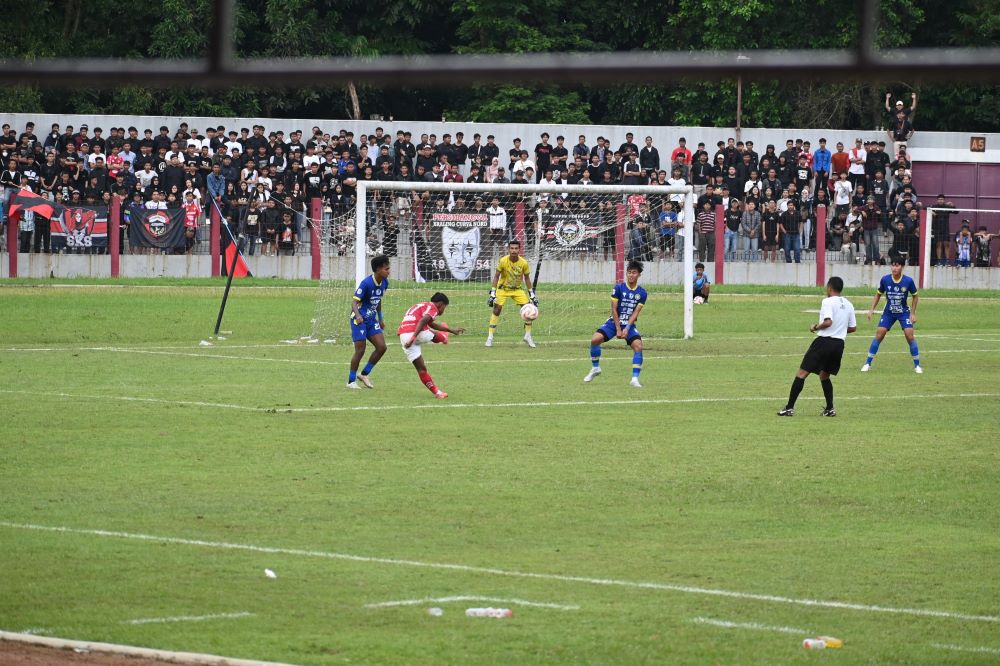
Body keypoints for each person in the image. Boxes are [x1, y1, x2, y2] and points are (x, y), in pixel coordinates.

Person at [777, 276, 857, 417]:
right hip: (839, 344)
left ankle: (789, 408)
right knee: (824, 375)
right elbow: (852, 328)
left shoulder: (827, 301)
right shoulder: (849, 304)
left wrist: (815, 327)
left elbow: (828, 322)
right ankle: (830, 409)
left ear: (830, 288)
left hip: (824, 342)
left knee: (801, 374)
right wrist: (840, 330)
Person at [584, 260, 647, 388]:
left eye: (634, 273)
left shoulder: (642, 293)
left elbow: (635, 313)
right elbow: (614, 309)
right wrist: (618, 329)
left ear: (639, 275)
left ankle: (634, 379)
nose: (630, 275)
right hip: (614, 322)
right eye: (629, 272)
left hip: (629, 324)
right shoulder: (618, 288)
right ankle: (595, 368)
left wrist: (628, 328)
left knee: (638, 347)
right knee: (595, 339)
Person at [397, 292, 465, 399]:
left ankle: (437, 393)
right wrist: (413, 337)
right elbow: (423, 320)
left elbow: (430, 323)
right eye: (445, 307)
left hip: (403, 336)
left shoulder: (421, 306)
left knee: (421, 369)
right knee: (432, 334)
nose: (443, 310)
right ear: (440, 304)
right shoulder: (432, 307)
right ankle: (444, 338)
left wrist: (450, 330)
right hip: (414, 333)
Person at [862, 254, 922, 373]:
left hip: (903, 312)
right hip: (888, 312)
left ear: (902, 267)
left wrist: (913, 313)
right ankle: (867, 363)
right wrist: (871, 309)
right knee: (880, 334)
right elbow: (878, 294)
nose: (894, 268)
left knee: (909, 335)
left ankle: (917, 366)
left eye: (897, 265)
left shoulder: (908, 281)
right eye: (893, 265)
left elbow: (915, 296)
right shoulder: (885, 279)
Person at [347, 254, 391, 389]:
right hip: (359, 320)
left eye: (389, 268)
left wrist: (381, 317)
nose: (389, 271)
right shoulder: (366, 283)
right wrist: (358, 315)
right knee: (360, 350)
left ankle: (364, 374)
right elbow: (354, 302)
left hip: (372, 319)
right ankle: (351, 381)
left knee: (382, 347)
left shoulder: (385, 283)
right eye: (386, 269)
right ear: (378, 269)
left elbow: (377, 300)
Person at [486, 240, 538, 348]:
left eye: (516, 248)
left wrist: (532, 294)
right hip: (503, 289)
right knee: (497, 309)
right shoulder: (503, 261)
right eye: (512, 248)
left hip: (517, 289)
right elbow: (496, 276)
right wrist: (493, 292)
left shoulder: (523, 262)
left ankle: (528, 336)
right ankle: (490, 337)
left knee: (528, 309)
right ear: (508, 249)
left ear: (519, 249)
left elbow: (527, 278)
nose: (514, 250)